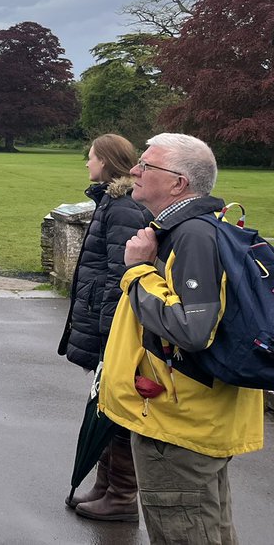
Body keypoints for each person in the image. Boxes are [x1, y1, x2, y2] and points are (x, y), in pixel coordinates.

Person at [100, 133, 265, 545]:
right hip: (189, 416)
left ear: (178, 183)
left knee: (186, 532)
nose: (134, 170)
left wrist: (138, 270)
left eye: (147, 165)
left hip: (179, 423)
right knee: (209, 528)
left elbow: (192, 329)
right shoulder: (193, 229)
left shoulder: (191, 235)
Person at [58, 134, 149, 521]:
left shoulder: (123, 208)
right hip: (101, 324)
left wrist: (111, 336)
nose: (87, 163)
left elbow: (120, 276)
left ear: (107, 162)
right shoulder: (110, 201)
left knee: (115, 410)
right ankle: (105, 485)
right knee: (104, 408)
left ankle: (123, 495)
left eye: (91, 157)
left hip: (109, 330)